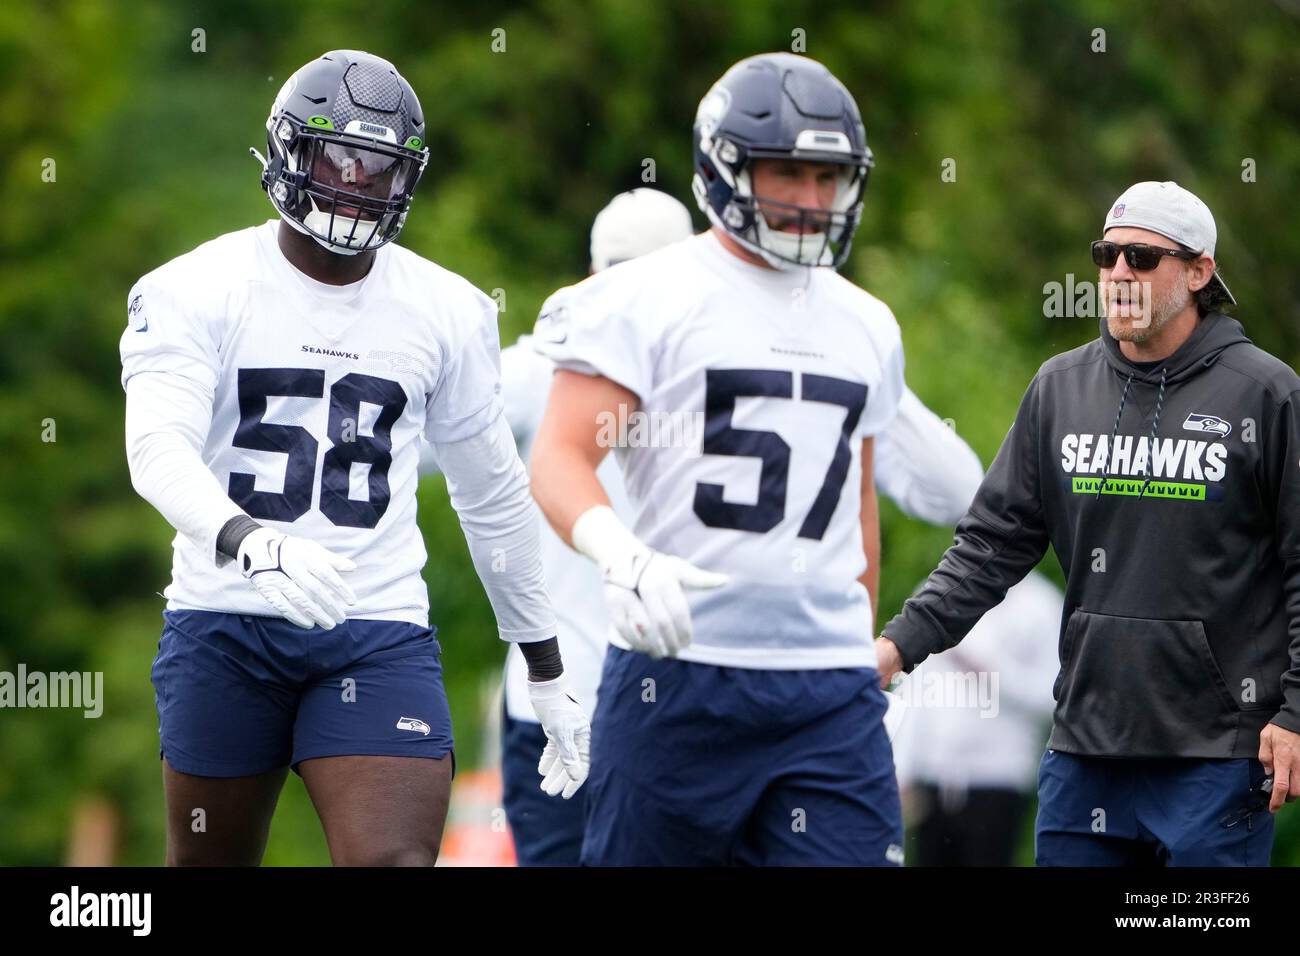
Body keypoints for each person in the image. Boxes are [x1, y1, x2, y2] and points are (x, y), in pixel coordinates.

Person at [120, 50, 588, 866]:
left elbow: (493, 498)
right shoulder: (194, 287)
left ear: (407, 181)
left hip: (373, 625)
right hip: (224, 617)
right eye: (336, 156)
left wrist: (544, 664)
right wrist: (249, 540)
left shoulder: (447, 310)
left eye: (378, 168)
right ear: (285, 152)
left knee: (394, 862)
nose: (353, 182)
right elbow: (156, 448)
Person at [529, 53, 908, 865]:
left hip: (826, 689)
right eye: (788, 173)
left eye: (828, 177)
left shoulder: (869, 322)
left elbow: (857, 505)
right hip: (679, 675)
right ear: (721, 167)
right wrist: (621, 555)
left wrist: (856, 644)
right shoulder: (645, 295)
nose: (811, 200)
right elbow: (558, 458)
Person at [878, 180, 1300, 866]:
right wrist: (897, 646)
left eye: (1141, 257)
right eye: (1106, 256)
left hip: (1217, 760)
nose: (1118, 274)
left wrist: (1295, 713)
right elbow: (988, 548)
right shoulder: (1060, 389)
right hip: (1085, 755)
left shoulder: (1266, 393)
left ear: (1199, 273)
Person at [893, 571, 1062, 866]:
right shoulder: (934, 593)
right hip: (932, 781)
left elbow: (1054, 697)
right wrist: (901, 768)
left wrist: (989, 673)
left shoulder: (1041, 604)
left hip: (997, 781)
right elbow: (914, 690)